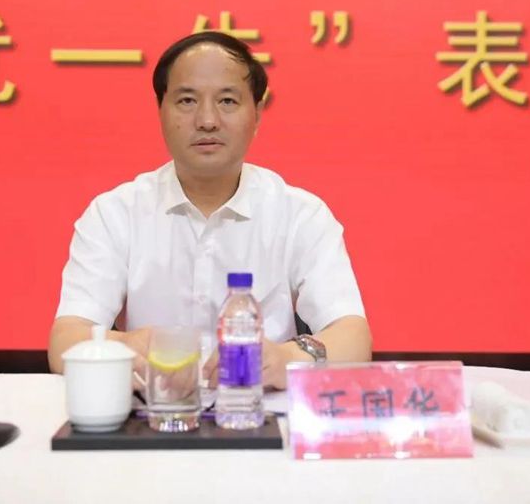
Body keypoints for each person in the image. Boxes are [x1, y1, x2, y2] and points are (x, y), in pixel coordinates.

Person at [48, 31, 371, 389]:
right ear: (161, 110)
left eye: (227, 101)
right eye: (187, 100)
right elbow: (66, 338)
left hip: (259, 410)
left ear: (257, 113)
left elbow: (353, 337)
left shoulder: (301, 215)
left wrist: (286, 359)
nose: (207, 120)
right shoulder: (114, 214)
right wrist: (125, 345)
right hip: (154, 411)